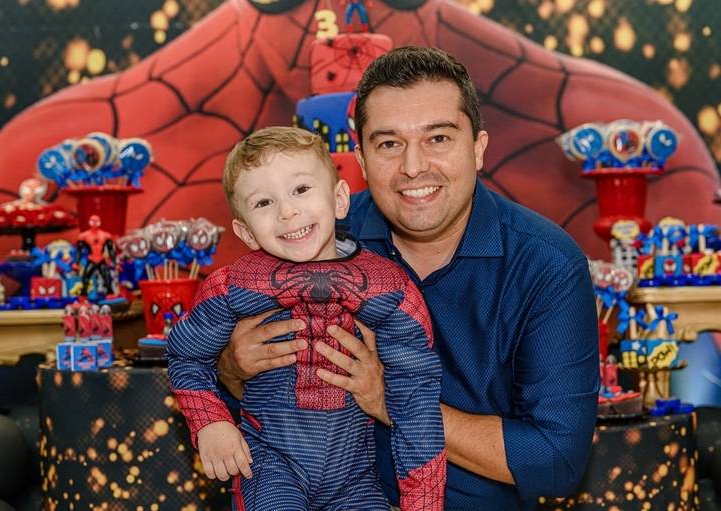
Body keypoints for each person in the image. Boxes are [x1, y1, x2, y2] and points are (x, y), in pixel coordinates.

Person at [217, 47, 600, 509]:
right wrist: (233, 367)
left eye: (438, 138)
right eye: (389, 144)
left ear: (478, 148)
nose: (414, 167)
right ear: (360, 159)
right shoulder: (310, 238)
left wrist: (390, 398)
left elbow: (555, 461)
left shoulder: (545, 265)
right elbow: (237, 401)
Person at [167, 126, 446, 511]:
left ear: (340, 199)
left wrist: (422, 505)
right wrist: (211, 422)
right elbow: (185, 355)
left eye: (300, 189)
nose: (287, 211)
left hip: (356, 479)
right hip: (269, 467)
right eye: (264, 202)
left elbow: (418, 406)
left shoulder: (387, 287)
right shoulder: (234, 286)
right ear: (246, 232)